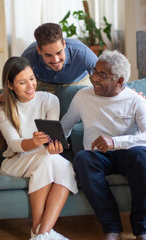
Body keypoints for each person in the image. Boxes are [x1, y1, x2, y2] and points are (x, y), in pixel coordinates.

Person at [0, 56, 78, 240]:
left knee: (65, 166)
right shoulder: (2, 108)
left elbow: (53, 137)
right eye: (22, 82)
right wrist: (33, 142)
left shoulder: (50, 100)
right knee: (47, 159)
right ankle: (39, 232)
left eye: (31, 78)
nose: (30, 85)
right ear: (10, 85)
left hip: (44, 156)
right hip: (16, 161)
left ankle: (41, 234)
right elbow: (14, 143)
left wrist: (55, 147)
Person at [61, 50, 146, 240]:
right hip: (96, 155)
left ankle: (141, 228)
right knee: (82, 158)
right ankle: (112, 227)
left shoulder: (136, 100)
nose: (94, 78)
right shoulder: (82, 97)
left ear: (120, 81)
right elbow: (65, 127)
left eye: (103, 75)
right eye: (94, 72)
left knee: (142, 156)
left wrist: (115, 141)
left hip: (126, 153)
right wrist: (50, 139)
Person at [21, 22, 98, 89]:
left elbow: (103, 74)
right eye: (48, 55)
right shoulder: (28, 56)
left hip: (78, 82)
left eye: (59, 53)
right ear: (39, 50)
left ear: (64, 44)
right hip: (45, 84)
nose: (55, 60)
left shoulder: (81, 52)